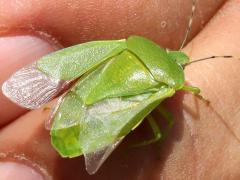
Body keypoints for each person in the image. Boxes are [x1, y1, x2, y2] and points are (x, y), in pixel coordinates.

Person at [0, 0, 240, 179]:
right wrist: (203, 99)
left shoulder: (130, 47)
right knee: (161, 131)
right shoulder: (167, 87)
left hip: (70, 111)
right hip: (84, 128)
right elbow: (161, 131)